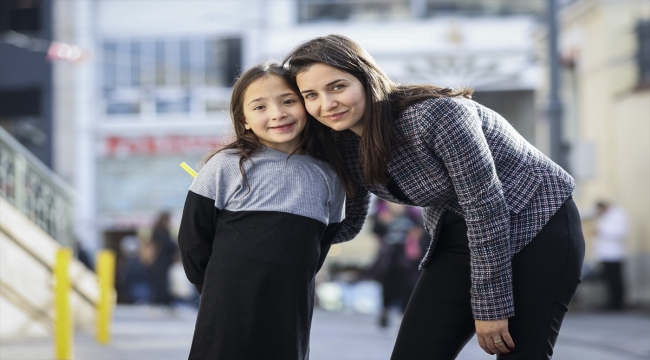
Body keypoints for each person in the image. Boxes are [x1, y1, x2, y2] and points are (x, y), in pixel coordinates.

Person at [284, 34, 585, 359]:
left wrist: (490, 306)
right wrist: (273, 258)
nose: (326, 104)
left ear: (366, 77)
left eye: (338, 87)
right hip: (459, 233)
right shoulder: (342, 141)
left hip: (540, 221)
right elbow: (347, 222)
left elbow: (487, 208)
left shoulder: (437, 116)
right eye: (310, 95)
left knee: (520, 353)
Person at [177, 61, 347, 360]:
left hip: (290, 308)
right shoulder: (226, 166)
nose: (277, 114)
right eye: (260, 107)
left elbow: (320, 245)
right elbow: (193, 238)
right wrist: (218, 290)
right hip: (227, 305)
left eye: (288, 101)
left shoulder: (328, 176)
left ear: (306, 105)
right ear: (243, 119)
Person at [368, 200, 420, 328]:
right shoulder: (382, 213)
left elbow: (421, 232)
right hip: (388, 257)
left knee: (407, 286)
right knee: (387, 286)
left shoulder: (412, 213)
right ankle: (385, 311)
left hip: (406, 257)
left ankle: (403, 315)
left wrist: (413, 232)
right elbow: (376, 230)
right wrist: (382, 221)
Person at [594, 201, 629, 310]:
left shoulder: (618, 215)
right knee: (610, 281)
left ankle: (618, 304)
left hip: (615, 254)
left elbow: (621, 233)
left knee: (616, 280)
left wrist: (601, 232)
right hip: (606, 255)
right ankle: (612, 303)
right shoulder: (605, 216)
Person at [148, 211, 179, 311]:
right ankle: (160, 302)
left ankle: (165, 301)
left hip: (166, 261)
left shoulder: (166, 231)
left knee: (167, 282)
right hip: (161, 261)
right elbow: (162, 244)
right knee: (161, 282)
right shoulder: (159, 231)